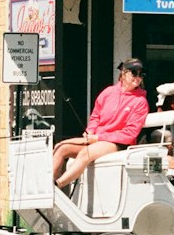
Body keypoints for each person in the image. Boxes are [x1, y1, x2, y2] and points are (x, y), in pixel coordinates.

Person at [52, 58, 149, 188]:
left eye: (141, 74)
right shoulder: (108, 92)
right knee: (60, 147)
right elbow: (96, 116)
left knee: (84, 154)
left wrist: (99, 137)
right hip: (96, 139)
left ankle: (57, 186)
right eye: (134, 73)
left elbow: (130, 134)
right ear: (123, 73)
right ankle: (46, 188)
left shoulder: (141, 102)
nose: (138, 77)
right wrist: (90, 131)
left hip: (118, 144)